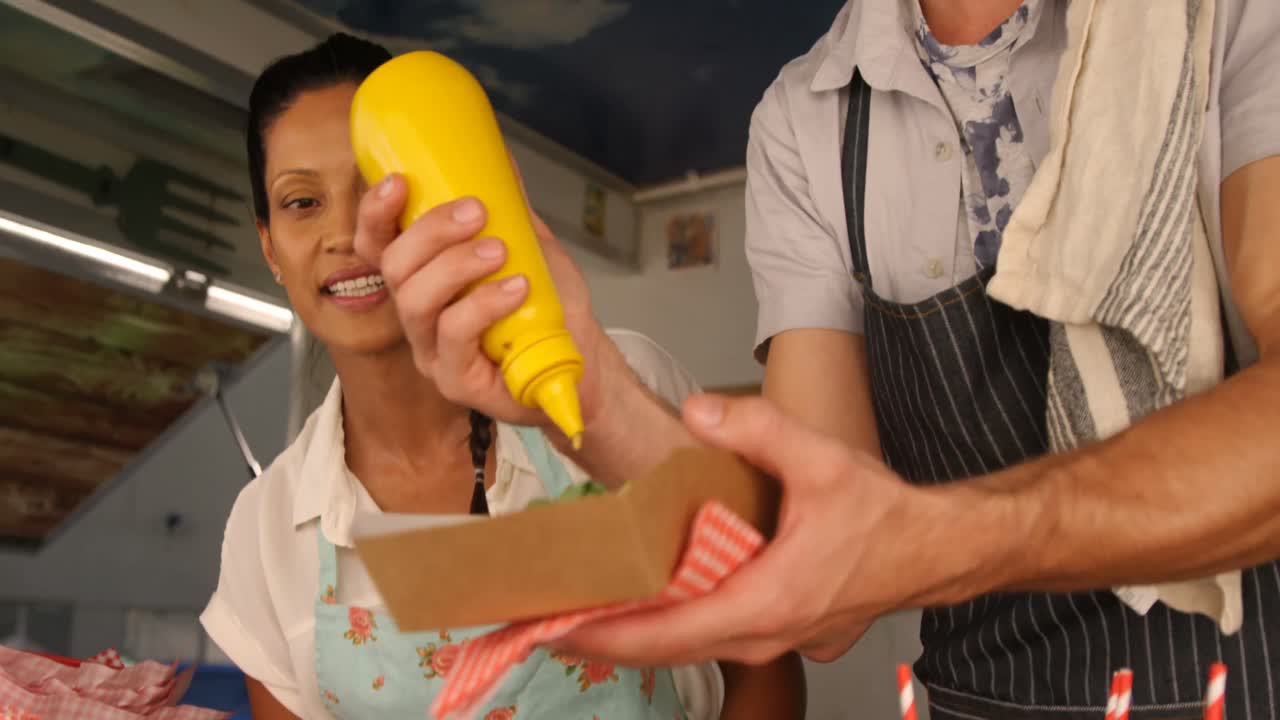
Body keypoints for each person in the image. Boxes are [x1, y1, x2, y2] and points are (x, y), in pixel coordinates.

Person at [355, 0, 1280, 718]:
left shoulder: (1228, 17)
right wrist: (588, 382)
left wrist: (949, 539)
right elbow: (820, 590)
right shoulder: (807, 122)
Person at [198, 33, 805, 720]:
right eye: (302, 202)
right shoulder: (270, 529)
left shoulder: (614, 386)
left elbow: (765, 652)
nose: (347, 234)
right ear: (269, 245)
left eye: (376, 187)